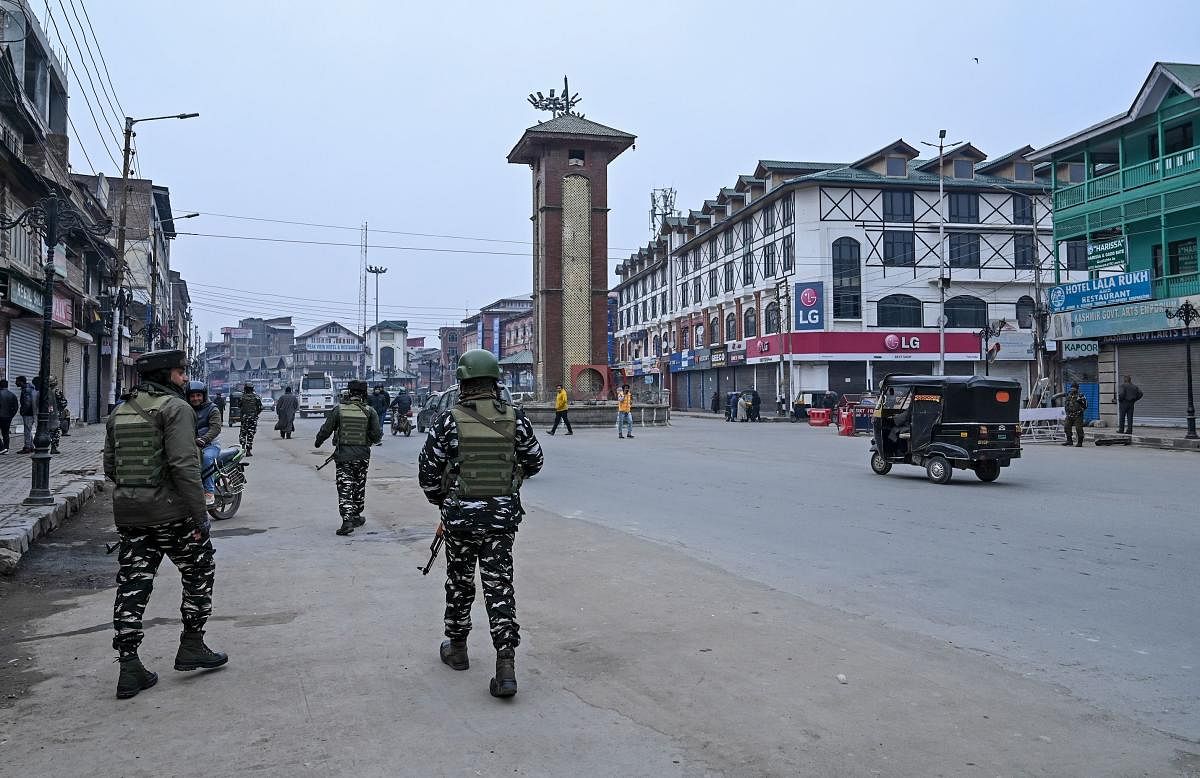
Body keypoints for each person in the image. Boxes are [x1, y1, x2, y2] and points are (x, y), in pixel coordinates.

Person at [418, 349, 543, 698]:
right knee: (499, 586)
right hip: (501, 520)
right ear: (495, 381)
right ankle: (505, 667)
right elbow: (535, 461)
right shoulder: (515, 418)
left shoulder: (447, 419)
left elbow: (428, 474)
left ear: (463, 382)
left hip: (459, 519)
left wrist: (443, 503)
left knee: (460, 582)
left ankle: (457, 650)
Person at [104, 349, 227, 700]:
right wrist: (200, 517)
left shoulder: (120, 411)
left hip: (130, 514)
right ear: (165, 376)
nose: (185, 379)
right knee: (199, 571)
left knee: (132, 585)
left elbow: (110, 466)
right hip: (171, 515)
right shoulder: (177, 409)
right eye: (179, 373)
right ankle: (192, 644)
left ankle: (129, 666)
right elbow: (185, 468)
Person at [315, 380, 382, 536]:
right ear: (364, 394)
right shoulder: (370, 411)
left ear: (349, 393)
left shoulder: (339, 410)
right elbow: (377, 435)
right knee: (359, 485)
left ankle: (347, 521)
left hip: (344, 456)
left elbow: (326, 429)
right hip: (363, 455)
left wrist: (318, 442)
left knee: (345, 487)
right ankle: (356, 515)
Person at [186, 381, 222, 507]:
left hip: (210, 445)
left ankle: (209, 492)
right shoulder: (186, 409)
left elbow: (216, 428)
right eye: (192, 396)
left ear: (203, 395)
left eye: (198, 395)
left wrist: (204, 439)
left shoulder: (212, 408)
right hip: (191, 446)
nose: (195, 398)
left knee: (206, 458)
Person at [238, 384, 263, 456]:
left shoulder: (242, 397)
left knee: (243, 433)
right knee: (250, 434)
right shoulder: (256, 397)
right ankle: (248, 450)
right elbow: (260, 407)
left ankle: (242, 448)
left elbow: (239, 406)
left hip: (244, 418)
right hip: (253, 418)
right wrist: (255, 414)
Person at [1063, 382, 1087, 447]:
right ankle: (1069, 441)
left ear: (1077, 389)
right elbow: (1066, 404)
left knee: (1078, 428)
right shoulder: (1069, 395)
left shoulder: (1080, 395)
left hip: (1078, 415)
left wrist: (1080, 408)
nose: (1072, 389)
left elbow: (1085, 405)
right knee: (1066, 426)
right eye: (1072, 388)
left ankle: (1080, 442)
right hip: (1069, 414)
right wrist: (1067, 411)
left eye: (1074, 388)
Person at [15, 375, 35, 453]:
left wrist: (23, 411)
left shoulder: (26, 390)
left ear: (21, 382)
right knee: (28, 429)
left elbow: (27, 402)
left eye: (17, 381)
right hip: (31, 412)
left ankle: (27, 447)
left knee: (27, 430)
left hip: (28, 413)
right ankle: (31, 445)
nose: (15, 383)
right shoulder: (30, 388)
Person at [0, 379, 17, 454]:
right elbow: (16, 407)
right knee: (6, 433)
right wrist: (11, 415)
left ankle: (1, 447)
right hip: (8, 417)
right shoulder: (12, 395)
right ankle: (6, 448)